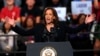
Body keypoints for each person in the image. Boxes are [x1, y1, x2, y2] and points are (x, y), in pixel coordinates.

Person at [7, 7, 94, 42]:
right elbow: (24, 33)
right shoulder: (38, 27)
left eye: (50, 14)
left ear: (54, 17)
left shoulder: (61, 25)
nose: (47, 16)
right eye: (46, 14)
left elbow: (74, 30)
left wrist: (85, 23)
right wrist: (14, 25)